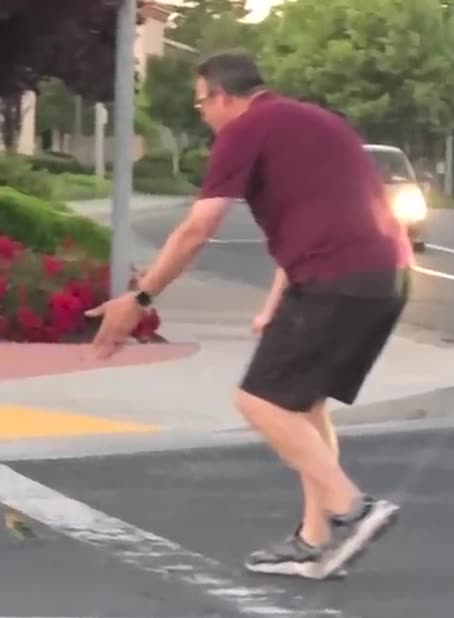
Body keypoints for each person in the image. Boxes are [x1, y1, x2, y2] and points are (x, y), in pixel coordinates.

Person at [84, 51, 412, 580]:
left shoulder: (245, 128)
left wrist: (140, 299)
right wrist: (273, 304)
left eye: (200, 103)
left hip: (337, 279)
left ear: (221, 95)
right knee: (302, 405)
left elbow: (197, 228)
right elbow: (322, 216)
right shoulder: (319, 121)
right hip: (384, 276)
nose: (202, 115)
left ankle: (355, 509)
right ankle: (314, 540)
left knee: (258, 400)